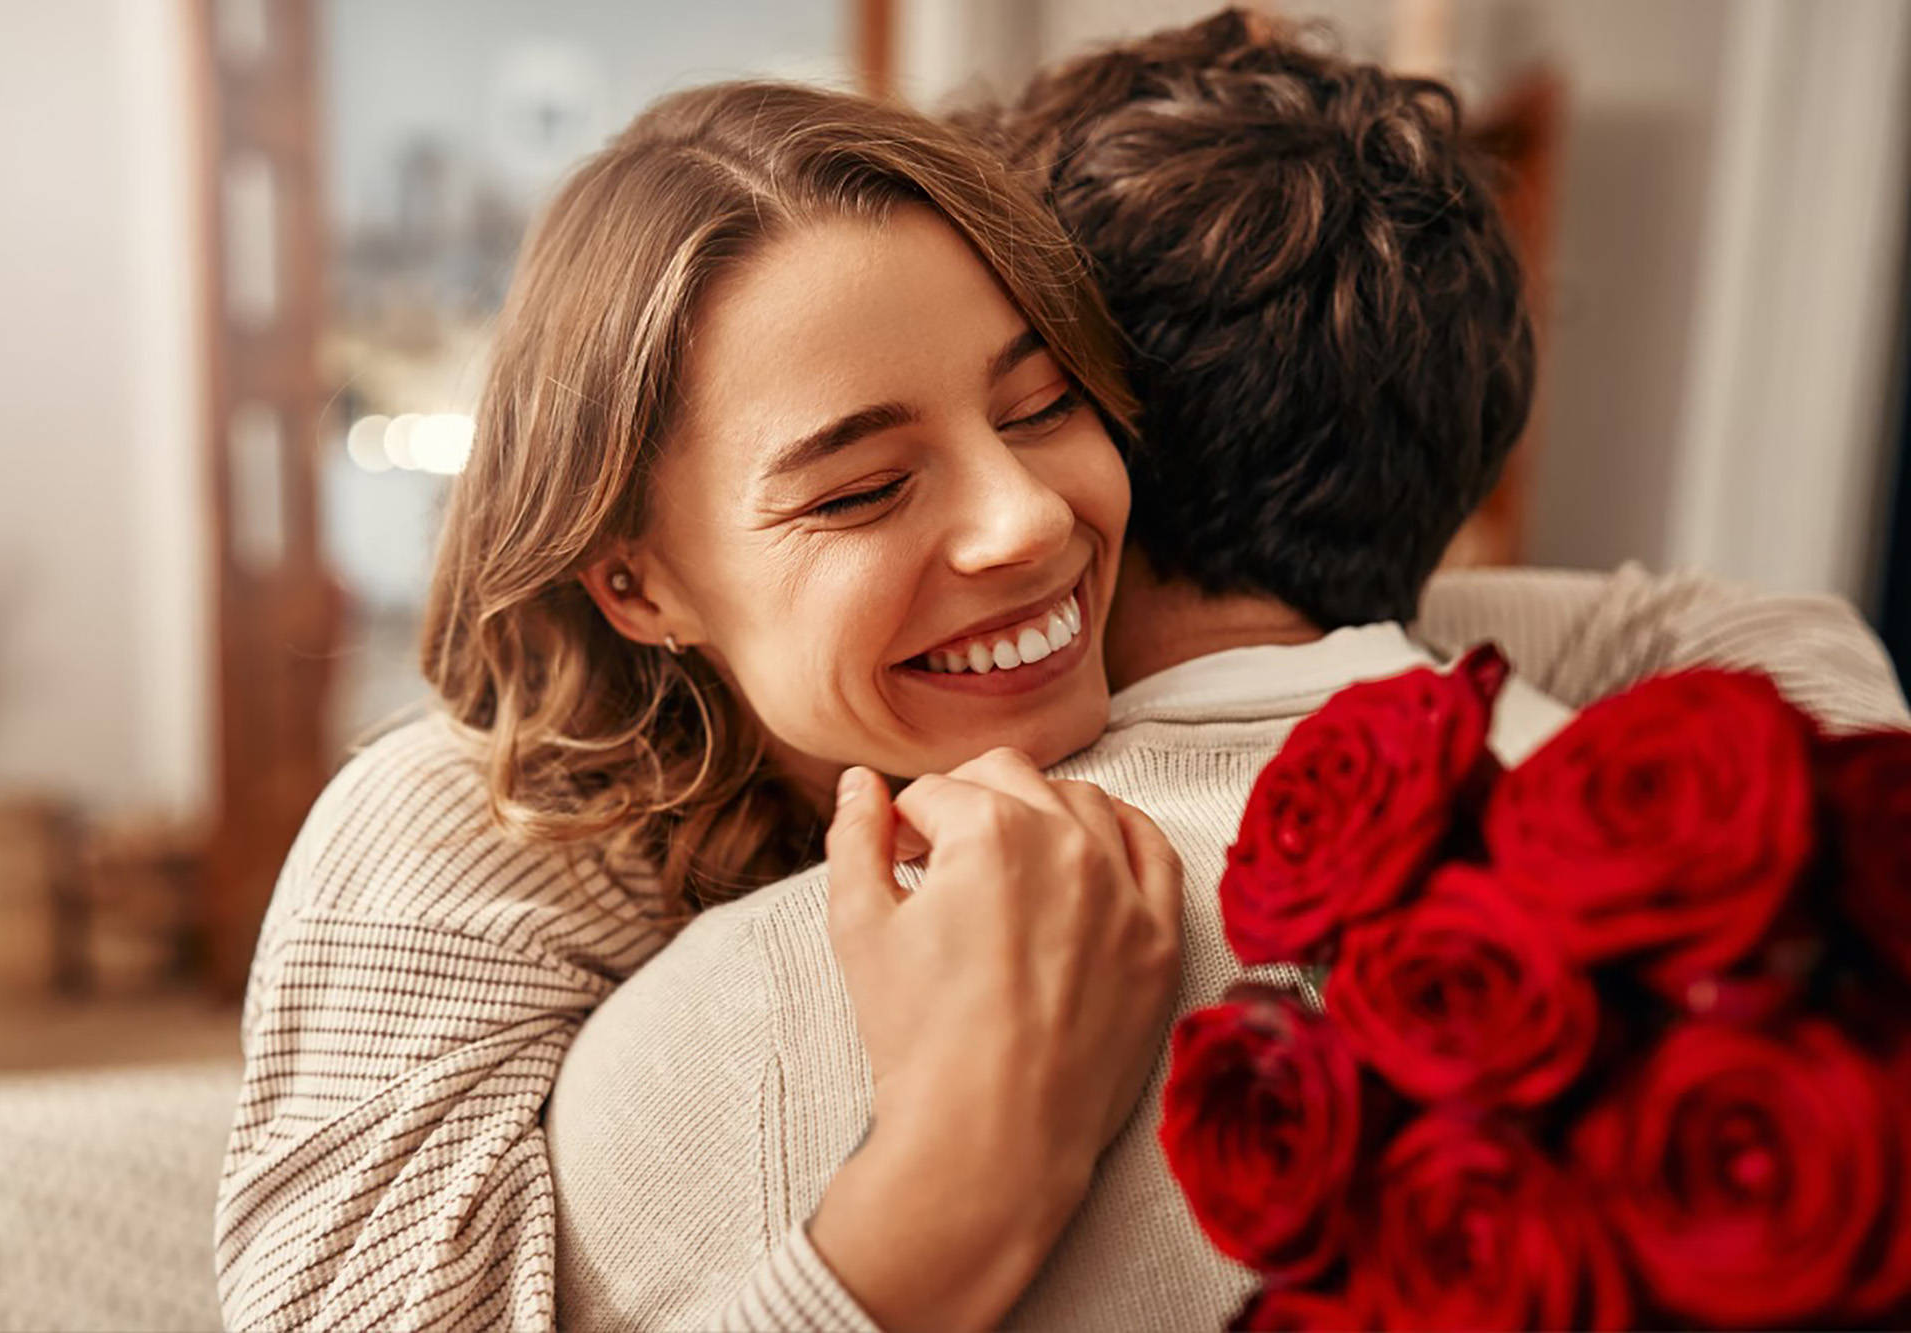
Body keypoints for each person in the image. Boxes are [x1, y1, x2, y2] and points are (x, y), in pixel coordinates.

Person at [215, 24, 1906, 1333]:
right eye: (861, 488)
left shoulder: (1169, 618)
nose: (1027, 521)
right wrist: (949, 1194)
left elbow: (1731, 630)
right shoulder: (464, 830)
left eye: (1039, 404)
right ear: (640, 580)